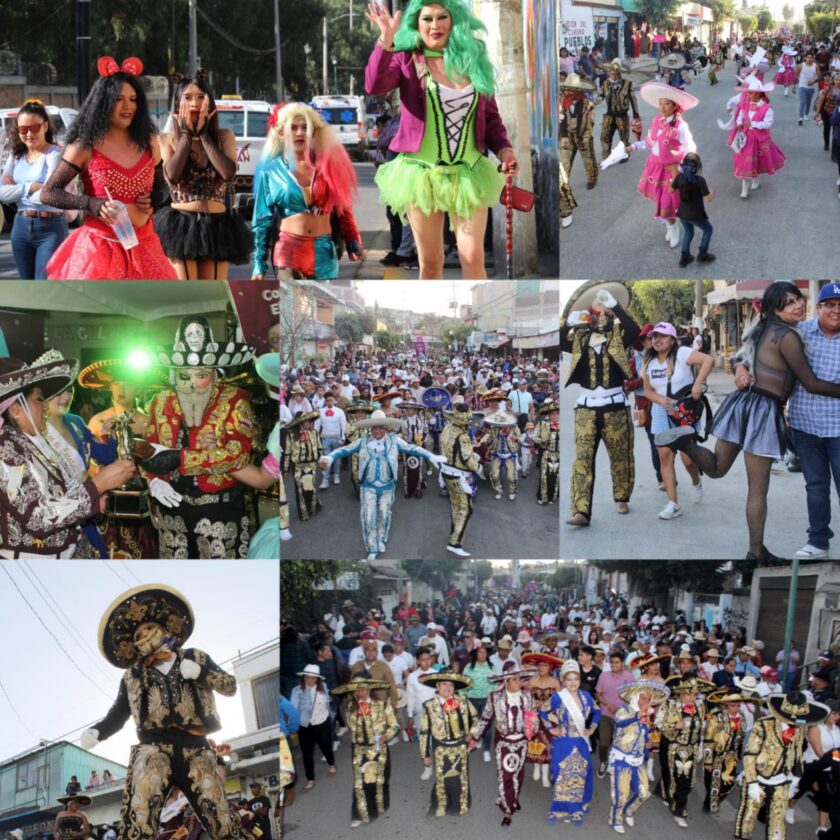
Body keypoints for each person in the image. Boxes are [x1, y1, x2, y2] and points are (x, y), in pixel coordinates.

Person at [658, 282, 840, 559]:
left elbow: (740, 358)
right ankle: (755, 552)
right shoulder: (789, 335)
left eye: (799, 299)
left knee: (717, 468)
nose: (798, 305)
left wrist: (741, 367)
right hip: (764, 411)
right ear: (775, 308)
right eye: (790, 302)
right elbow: (811, 382)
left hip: (742, 404)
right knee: (757, 489)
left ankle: (685, 441)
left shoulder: (762, 329)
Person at [364, 0, 519, 279]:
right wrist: (385, 41)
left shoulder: (472, 61)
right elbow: (374, 85)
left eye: (441, 17)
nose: (435, 25)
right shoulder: (407, 58)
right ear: (416, 23)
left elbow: (491, 117)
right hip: (421, 173)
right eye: (427, 19)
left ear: (454, 19)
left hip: (470, 172)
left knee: (472, 256)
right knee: (431, 261)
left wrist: (505, 150)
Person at [80, 585, 246, 840]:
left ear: (164, 627)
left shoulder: (195, 656)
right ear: (133, 645)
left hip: (196, 747)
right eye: (138, 634)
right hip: (153, 749)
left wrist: (202, 674)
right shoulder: (132, 675)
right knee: (137, 821)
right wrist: (98, 731)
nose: (144, 635)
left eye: (148, 628)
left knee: (222, 821)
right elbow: (118, 714)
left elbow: (231, 686)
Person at [42, 56, 176, 279]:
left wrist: (157, 195)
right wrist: (90, 203)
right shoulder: (84, 146)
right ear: (104, 102)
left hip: (145, 248)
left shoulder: (150, 141)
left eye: (133, 99)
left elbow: (162, 183)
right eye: (118, 99)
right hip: (99, 251)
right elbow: (49, 192)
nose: (127, 106)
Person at [138, 316, 256, 558]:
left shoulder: (234, 400)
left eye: (200, 375)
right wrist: (152, 479)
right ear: (173, 376)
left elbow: (239, 455)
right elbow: (147, 450)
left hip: (219, 510)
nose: (193, 384)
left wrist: (180, 458)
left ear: (213, 374)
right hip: (172, 511)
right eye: (184, 376)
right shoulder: (160, 403)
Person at [0, 355, 135, 558]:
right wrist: (97, 485)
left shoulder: (26, 441)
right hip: (29, 567)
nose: (46, 406)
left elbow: (56, 495)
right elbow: (38, 517)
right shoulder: (5, 448)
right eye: (39, 399)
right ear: (16, 409)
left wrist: (95, 502)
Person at [155, 70, 252, 279]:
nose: (194, 104)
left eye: (200, 97)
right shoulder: (166, 139)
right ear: (178, 104)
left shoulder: (224, 136)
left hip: (217, 226)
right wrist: (187, 136)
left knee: (212, 296)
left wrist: (205, 135)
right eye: (187, 98)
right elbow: (171, 175)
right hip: (180, 225)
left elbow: (227, 173)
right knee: (187, 294)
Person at [251, 103, 362, 279]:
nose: (300, 133)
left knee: (324, 306)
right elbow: (261, 220)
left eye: (305, 127)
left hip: (324, 252)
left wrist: (352, 239)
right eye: (293, 128)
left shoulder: (329, 167)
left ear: (314, 132)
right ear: (281, 133)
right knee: (292, 307)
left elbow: (343, 208)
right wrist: (259, 264)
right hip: (288, 250)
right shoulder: (271, 171)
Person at [318, 409, 445, 560]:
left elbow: (413, 448)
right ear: (370, 428)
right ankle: (372, 547)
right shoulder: (363, 441)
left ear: (386, 428)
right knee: (368, 517)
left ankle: (381, 538)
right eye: (374, 427)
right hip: (368, 486)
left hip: (387, 486)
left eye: (380, 427)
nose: (377, 430)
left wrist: (431, 456)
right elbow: (345, 450)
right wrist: (331, 457)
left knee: (384, 515)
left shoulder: (395, 441)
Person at [562, 284, 640, 526]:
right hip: (585, 407)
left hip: (615, 404)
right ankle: (581, 511)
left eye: (603, 311)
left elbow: (634, 331)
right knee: (582, 459)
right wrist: (568, 323)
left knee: (621, 455)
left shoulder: (618, 336)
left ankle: (621, 497)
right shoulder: (578, 339)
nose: (598, 316)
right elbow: (558, 341)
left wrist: (616, 304)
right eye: (593, 312)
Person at [786, 283, 840, 559]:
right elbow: (763, 346)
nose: (836, 310)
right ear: (818, 308)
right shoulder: (800, 331)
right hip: (804, 426)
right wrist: (742, 366)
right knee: (816, 486)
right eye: (830, 304)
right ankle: (818, 541)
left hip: (838, 428)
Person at [735, 691, 829, 840]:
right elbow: (750, 754)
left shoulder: (798, 728)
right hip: (759, 777)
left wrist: (796, 779)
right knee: (748, 817)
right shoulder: (764, 724)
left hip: (781, 780)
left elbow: (797, 754)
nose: (795, 721)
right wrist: (752, 782)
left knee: (777, 821)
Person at [643, 321, 713, 521]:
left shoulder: (682, 353)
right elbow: (648, 391)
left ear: (672, 339)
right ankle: (673, 504)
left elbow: (708, 360)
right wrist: (660, 400)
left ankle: (696, 481)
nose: (657, 340)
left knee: (688, 458)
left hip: (685, 411)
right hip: (661, 412)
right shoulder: (649, 361)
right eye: (654, 336)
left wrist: (697, 384)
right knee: (665, 456)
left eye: (662, 336)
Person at [623, 81, 698, 249]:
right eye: (661, 103)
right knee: (660, 199)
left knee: (668, 202)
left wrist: (680, 168)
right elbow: (650, 142)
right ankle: (670, 226)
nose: (663, 107)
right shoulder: (657, 120)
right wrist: (633, 147)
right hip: (655, 165)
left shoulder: (681, 126)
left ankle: (674, 227)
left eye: (667, 104)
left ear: (675, 106)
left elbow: (690, 149)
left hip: (671, 170)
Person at [0, 100, 68, 278]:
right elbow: (1, 193)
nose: (29, 134)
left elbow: (49, 196)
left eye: (35, 127)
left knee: (44, 287)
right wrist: (30, 187)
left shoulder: (54, 154)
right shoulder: (16, 156)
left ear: (45, 126)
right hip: (20, 227)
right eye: (23, 129)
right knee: (28, 289)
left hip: (50, 228)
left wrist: (15, 189)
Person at [469, 667, 539, 826]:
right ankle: (507, 808)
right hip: (504, 742)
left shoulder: (527, 696)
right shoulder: (495, 697)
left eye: (519, 679)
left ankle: (513, 798)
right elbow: (485, 719)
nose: (518, 682)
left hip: (521, 741)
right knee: (505, 774)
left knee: (518, 774)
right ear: (506, 681)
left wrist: (533, 730)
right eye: (514, 679)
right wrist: (475, 737)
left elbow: (533, 716)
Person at [331, 674, 400, 829]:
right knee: (360, 782)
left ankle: (379, 807)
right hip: (359, 749)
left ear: (369, 688)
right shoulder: (350, 707)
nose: (360, 692)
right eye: (357, 690)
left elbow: (394, 726)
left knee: (379, 779)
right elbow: (350, 727)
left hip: (379, 749)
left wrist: (385, 736)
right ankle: (358, 814)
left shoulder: (381, 704)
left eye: (363, 689)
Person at [608, 679, 671, 834]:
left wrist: (648, 743)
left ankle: (629, 810)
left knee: (644, 793)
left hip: (638, 760)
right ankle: (615, 818)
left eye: (649, 699)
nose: (646, 701)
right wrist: (638, 714)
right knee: (621, 795)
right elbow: (621, 723)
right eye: (643, 697)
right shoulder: (624, 710)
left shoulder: (645, 717)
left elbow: (644, 734)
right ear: (635, 697)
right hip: (621, 759)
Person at [542, 659, 600, 824]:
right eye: (569, 679)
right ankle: (563, 807)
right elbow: (543, 711)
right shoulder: (558, 698)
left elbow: (597, 711)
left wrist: (591, 729)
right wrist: (551, 729)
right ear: (563, 681)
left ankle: (575, 807)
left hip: (580, 742)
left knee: (580, 774)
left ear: (580, 680)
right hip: (563, 742)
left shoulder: (586, 696)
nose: (573, 682)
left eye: (576, 679)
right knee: (562, 774)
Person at [655, 674, 714, 827]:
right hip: (672, 748)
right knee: (673, 777)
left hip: (691, 749)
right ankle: (672, 802)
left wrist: (701, 747)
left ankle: (675, 805)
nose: (691, 698)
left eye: (694, 694)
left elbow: (703, 727)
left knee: (686, 782)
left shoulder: (701, 706)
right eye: (688, 694)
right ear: (681, 693)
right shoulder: (670, 705)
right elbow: (658, 723)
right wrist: (674, 726)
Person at [418, 670, 477, 817]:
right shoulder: (429, 706)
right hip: (440, 747)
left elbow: (476, 718)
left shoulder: (463, 701)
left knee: (460, 777)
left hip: (461, 745)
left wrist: (472, 733)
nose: (447, 687)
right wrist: (424, 754)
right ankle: (439, 805)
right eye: (444, 684)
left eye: (451, 684)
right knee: (441, 777)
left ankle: (460, 805)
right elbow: (424, 732)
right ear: (437, 686)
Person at [787, 699, 840, 830]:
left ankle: (821, 827)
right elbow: (819, 751)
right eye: (834, 713)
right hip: (811, 765)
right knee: (799, 790)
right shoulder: (815, 727)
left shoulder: (837, 730)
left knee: (827, 798)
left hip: (828, 769)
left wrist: (835, 763)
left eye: (838, 714)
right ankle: (790, 807)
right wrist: (835, 760)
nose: (836, 717)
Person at [729, 75, 785, 199]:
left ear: (758, 94)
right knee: (745, 162)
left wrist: (753, 124)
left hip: (759, 138)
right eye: (748, 93)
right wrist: (739, 123)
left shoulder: (767, 108)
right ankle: (744, 189)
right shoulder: (745, 104)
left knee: (757, 161)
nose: (748, 95)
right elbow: (741, 117)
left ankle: (755, 179)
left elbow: (768, 123)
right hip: (746, 137)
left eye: (750, 93)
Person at [702, 689, 752, 817]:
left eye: (737, 705)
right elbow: (708, 739)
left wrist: (740, 755)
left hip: (732, 758)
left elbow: (741, 737)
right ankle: (711, 807)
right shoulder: (716, 717)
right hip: (717, 757)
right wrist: (708, 761)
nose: (735, 708)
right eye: (732, 705)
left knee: (728, 785)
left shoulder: (741, 716)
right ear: (725, 705)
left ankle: (715, 802)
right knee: (714, 785)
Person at [439, 404, 481, 556]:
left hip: (445, 471)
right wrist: (477, 466)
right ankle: (455, 543)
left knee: (455, 504)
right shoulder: (462, 436)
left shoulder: (446, 429)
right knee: (465, 508)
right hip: (458, 475)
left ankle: (454, 531)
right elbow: (467, 460)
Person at [289, 664, 337, 791]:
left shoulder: (323, 687)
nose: (309, 680)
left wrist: (330, 709)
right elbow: (293, 710)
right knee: (307, 755)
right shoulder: (297, 691)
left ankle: (331, 764)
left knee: (326, 747)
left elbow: (328, 700)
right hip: (306, 728)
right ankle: (311, 780)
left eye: (313, 678)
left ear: (317, 679)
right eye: (307, 677)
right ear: (303, 677)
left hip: (323, 723)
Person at [521, 652, 563, 787]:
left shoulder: (556, 683)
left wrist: (547, 705)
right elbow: (525, 698)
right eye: (539, 665)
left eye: (544, 665)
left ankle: (545, 774)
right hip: (534, 717)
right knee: (534, 742)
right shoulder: (532, 681)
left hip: (550, 718)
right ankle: (536, 767)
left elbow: (561, 701)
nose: (541, 668)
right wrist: (534, 703)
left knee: (547, 744)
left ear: (550, 667)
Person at [595, 651, 636, 779]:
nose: (613, 664)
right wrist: (608, 705)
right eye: (611, 662)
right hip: (606, 714)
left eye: (617, 662)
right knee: (603, 743)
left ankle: (616, 764)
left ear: (622, 663)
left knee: (619, 743)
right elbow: (598, 694)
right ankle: (603, 761)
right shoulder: (604, 676)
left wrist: (620, 708)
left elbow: (633, 696)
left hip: (623, 715)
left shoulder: (629, 677)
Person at [672, 151, 715, 267]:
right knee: (708, 229)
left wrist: (674, 175)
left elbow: (670, 190)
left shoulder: (679, 177)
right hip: (695, 215)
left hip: (682, 213)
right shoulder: (700, 181)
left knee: (689, 232)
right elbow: (708, 199)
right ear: (697, 168)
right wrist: (711, 192)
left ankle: (684, 257)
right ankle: (702, 254)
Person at [560, 74, 599, 191]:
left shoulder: (588, 104)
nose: (571, 91)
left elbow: (590, 122)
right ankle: (564, 183)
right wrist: (563, 136)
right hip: (567, 136)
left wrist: (586, 137)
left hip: (582, 135)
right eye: (569, 88)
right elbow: (559, 120)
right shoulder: (562, 102)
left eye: (573, 88)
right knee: (565, 162)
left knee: (588, 160)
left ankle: (592, 179)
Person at [597, 60, 640, 162]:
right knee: (605, 136)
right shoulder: (605, 83)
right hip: (609, 115)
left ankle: (624, 155)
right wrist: (597, 99)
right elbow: (600, 95)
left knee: (624, 138)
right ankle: (607, 156)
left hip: (622, 115)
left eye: (616, 73)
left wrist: (636, 114)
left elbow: (633, 99)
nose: (614, 75)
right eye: (612, 73)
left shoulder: (627, 84)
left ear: (620, 73)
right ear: (609, 73)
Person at [462, 639, 497, 762]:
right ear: (476, 654)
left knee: (486, 727)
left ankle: (487, 750)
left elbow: (496, 685)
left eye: (484, 652)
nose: (482, 654)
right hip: (472, 700)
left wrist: (493, 698)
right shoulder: (468, 667)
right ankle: (477, 740)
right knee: (475, 725)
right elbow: (464, 683)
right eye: (480, 652)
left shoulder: (492, 667)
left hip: (487, 700)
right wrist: (463, 697)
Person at [315, 393, 346, 490]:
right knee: (325, 459)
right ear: (325, 401)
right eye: (327, 400)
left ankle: (336, 475)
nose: (329, 402)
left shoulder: (340, 411)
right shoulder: (320, 411)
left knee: (336, 458)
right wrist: (316, 439)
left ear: (334, 400)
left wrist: (343, 438)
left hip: (337, 438)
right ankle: (325, 480)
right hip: (325, 438)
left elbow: (343, 426)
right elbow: (317, 426)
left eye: (331, 400)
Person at [797, 52, 821, 126]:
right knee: (802, 102)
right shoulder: (801, 65)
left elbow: (819, 76)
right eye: (808, 57)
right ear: (805, 58)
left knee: (808, 102)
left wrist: (813, 81)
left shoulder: (816, 66)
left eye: (811, 57)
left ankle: (806, 114)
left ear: (813, 58)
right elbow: (796, 75)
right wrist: (794, 86)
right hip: (802, 86)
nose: (809, 59)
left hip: (811, 88)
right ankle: (800, 118)